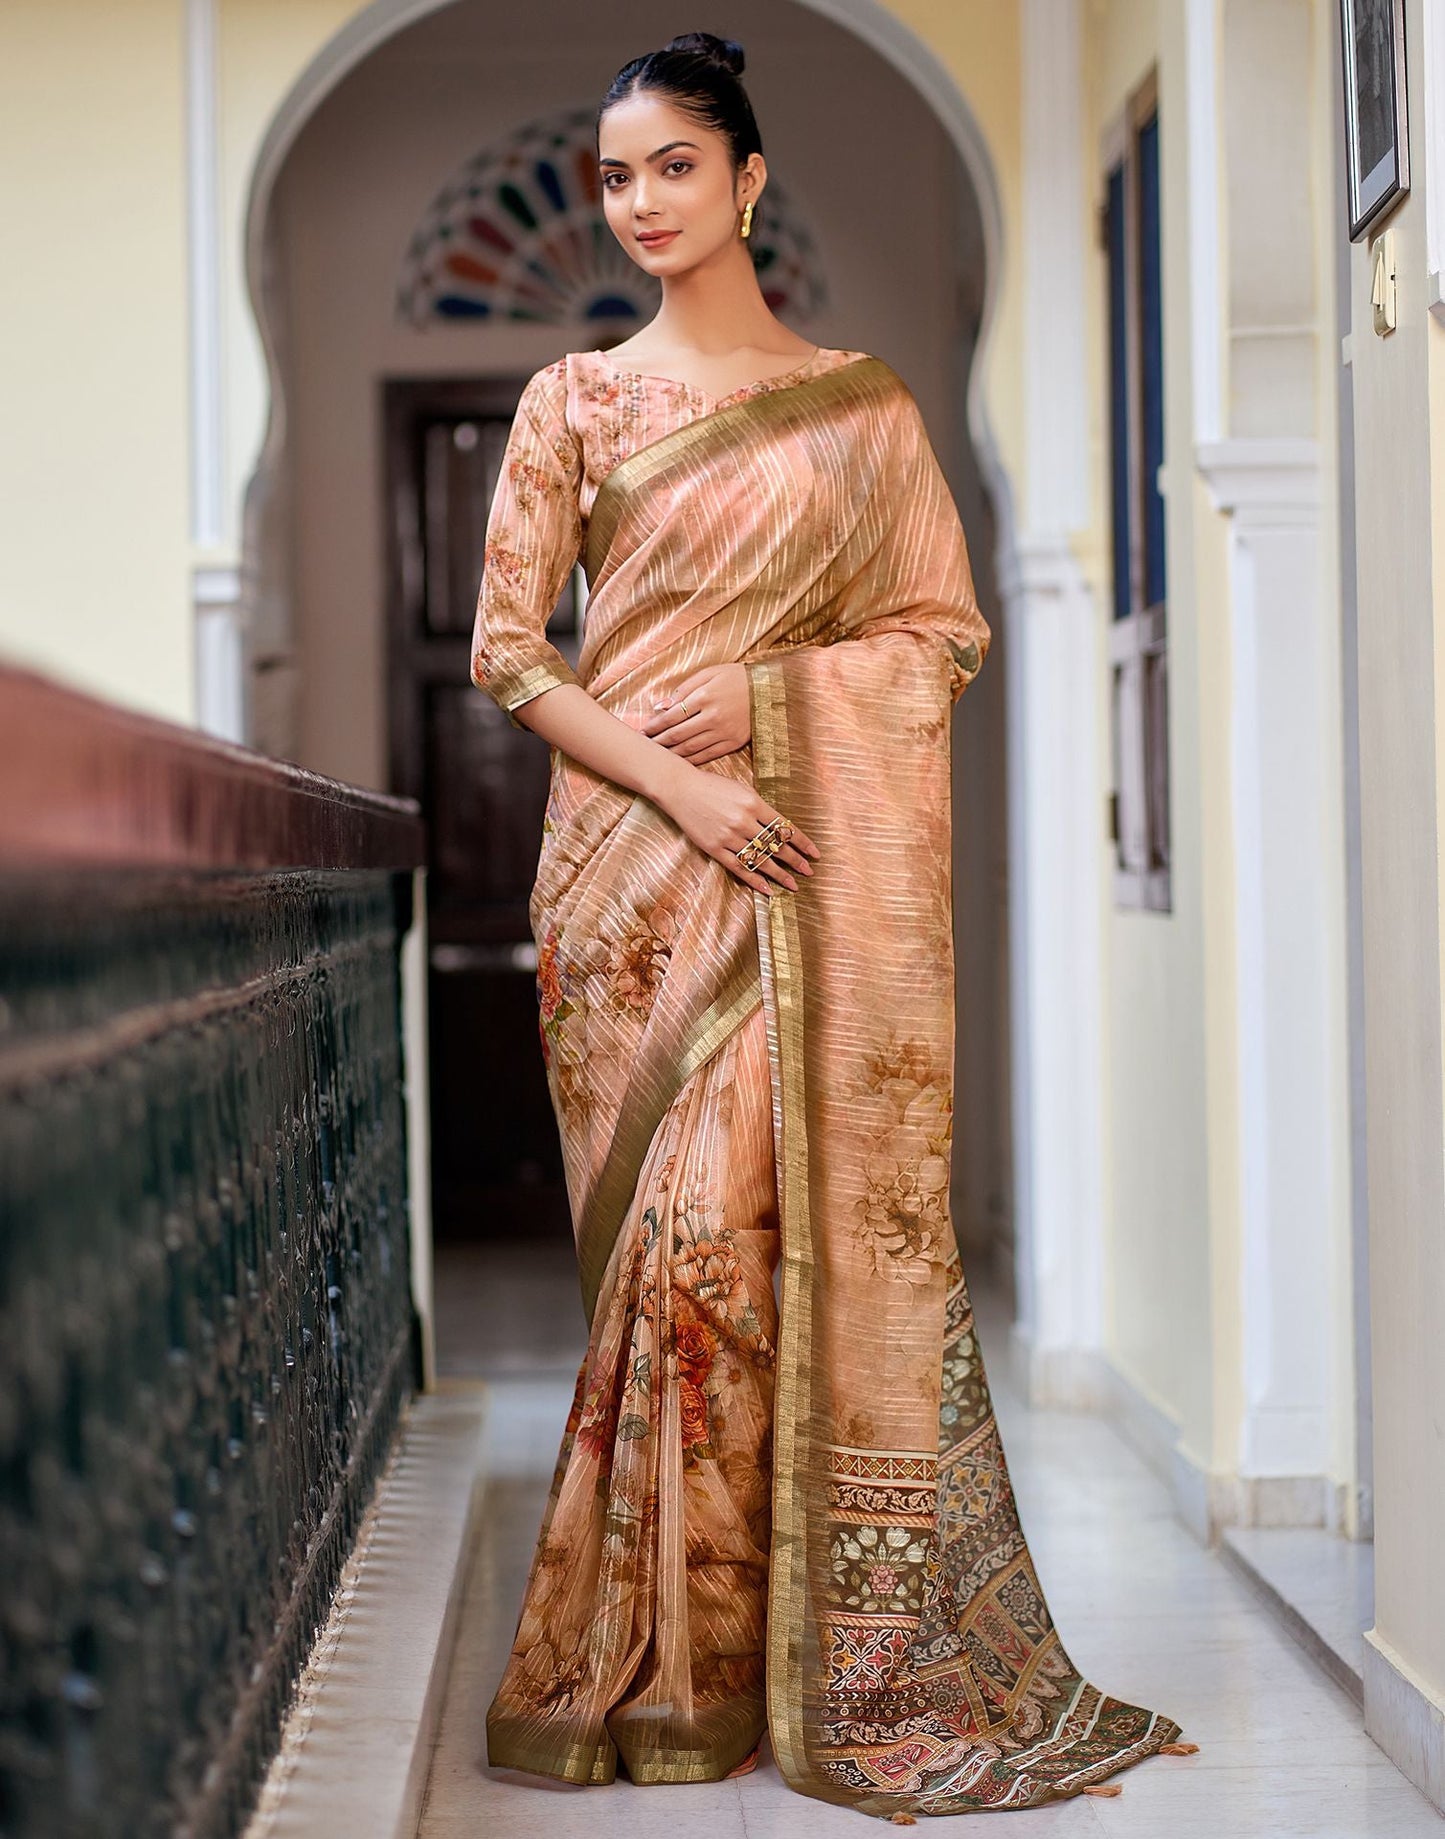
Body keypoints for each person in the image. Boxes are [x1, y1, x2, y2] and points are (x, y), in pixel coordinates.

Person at [470, 29, 1194, 1820]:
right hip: (632, 882)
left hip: (802, 858)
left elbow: (937, 634)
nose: (640, 203)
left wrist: (781, 705)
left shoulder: (859, 408)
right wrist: (687, 778)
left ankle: (798, 1647)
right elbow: (506, 657)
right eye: (616, 175)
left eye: (673, 169)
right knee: (674, 1259)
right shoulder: (575, 400)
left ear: (749, 183)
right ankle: (657, 1660)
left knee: (754, 1241)